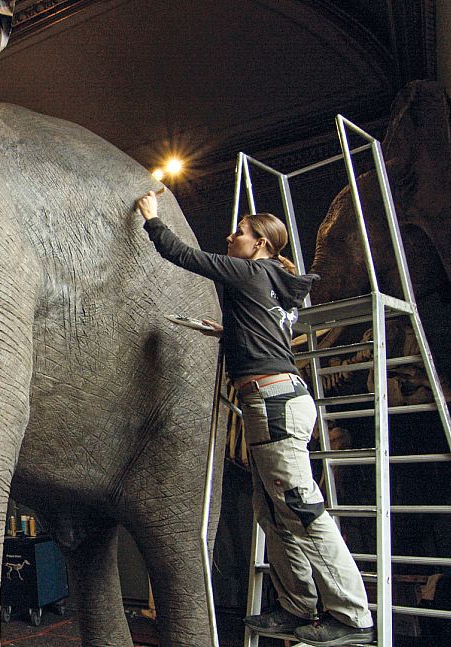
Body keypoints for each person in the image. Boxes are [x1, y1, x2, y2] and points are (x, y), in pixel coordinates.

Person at [136, 190, 374, 647]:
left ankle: (352, 615)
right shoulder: (274, 282)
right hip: (275, 399)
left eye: (240, 233)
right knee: (272, 513)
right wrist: (230, 333)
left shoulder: (250, 271)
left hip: (272, 401)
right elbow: (267, 335)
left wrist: (152, 218)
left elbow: (182, 255)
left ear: (260, 243)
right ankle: (298, 605)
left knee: (301, 508)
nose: (232, 237)